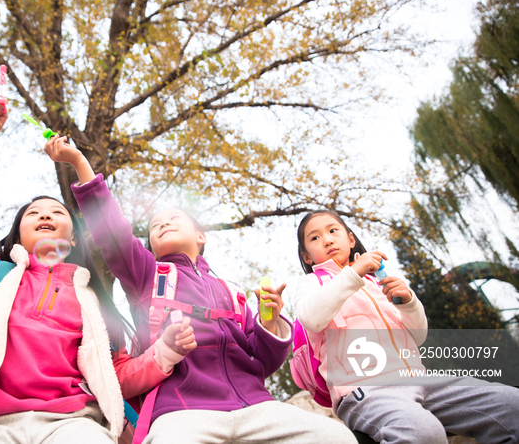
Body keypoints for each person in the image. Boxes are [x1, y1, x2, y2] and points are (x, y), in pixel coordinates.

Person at [45, 134, 357, 444]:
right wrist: (79, 162)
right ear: (150, 245)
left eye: (174, 218)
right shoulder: (147, 276)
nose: (163, 223)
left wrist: (270, 322)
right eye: (155, 226)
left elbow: (262, 361)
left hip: (256, 406)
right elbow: (111, 229)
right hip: (182, 411)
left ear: (201, 236)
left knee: (335, 436)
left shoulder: (232, 291)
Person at [0, 104, 196, 444]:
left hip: (74, 423)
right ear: (18, 235)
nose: (44, 215)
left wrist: (165, 351)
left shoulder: (91, 301)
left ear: (73, 237)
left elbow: (116, 375)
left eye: (56, 212)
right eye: (33, 213)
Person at [295, 209, 519, 444]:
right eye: (315, 238)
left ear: (350, 239)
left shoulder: (377, 281)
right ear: (307, 257)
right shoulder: (312, 284)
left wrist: (409, 303)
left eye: (333, 231)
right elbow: (310, 318)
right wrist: (354, 272)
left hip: (420, 379)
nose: (327, 239)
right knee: (424, 433)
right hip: (367, 391)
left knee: (511, 405)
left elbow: (419, 336)